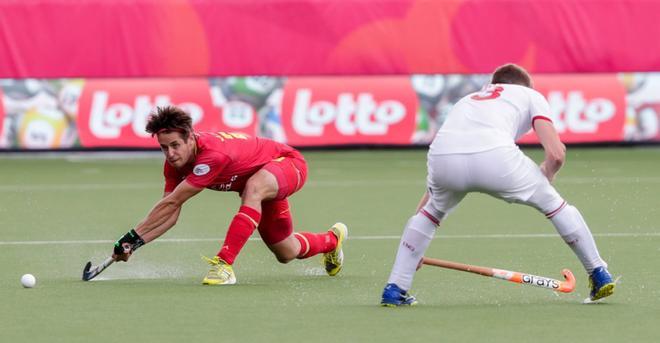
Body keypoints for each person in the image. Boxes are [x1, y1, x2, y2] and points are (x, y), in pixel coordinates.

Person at [380, 64, 615, 306]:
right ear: (525, 86)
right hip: (496, 157)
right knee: (555, 205)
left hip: (442, 158)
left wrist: (413, 251)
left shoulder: (467, 99)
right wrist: (547, 175)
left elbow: (441, 178)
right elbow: (556, 154)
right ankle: (598, 272)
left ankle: (395, 288)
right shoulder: (530, 95)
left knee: (430, 214)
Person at [111, 105, 347, 285]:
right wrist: (135, 244)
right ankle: (332, 241)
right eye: (164, 147)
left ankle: (224, 265)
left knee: (252, 189)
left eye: (175, 145)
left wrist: (130, 236)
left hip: (287, 164)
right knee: (287, 251)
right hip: (265, 177)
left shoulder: (212, 155)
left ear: (190, 138)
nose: (170, 153)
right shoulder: (173, 165)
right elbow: (170, 213)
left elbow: (173, 201)